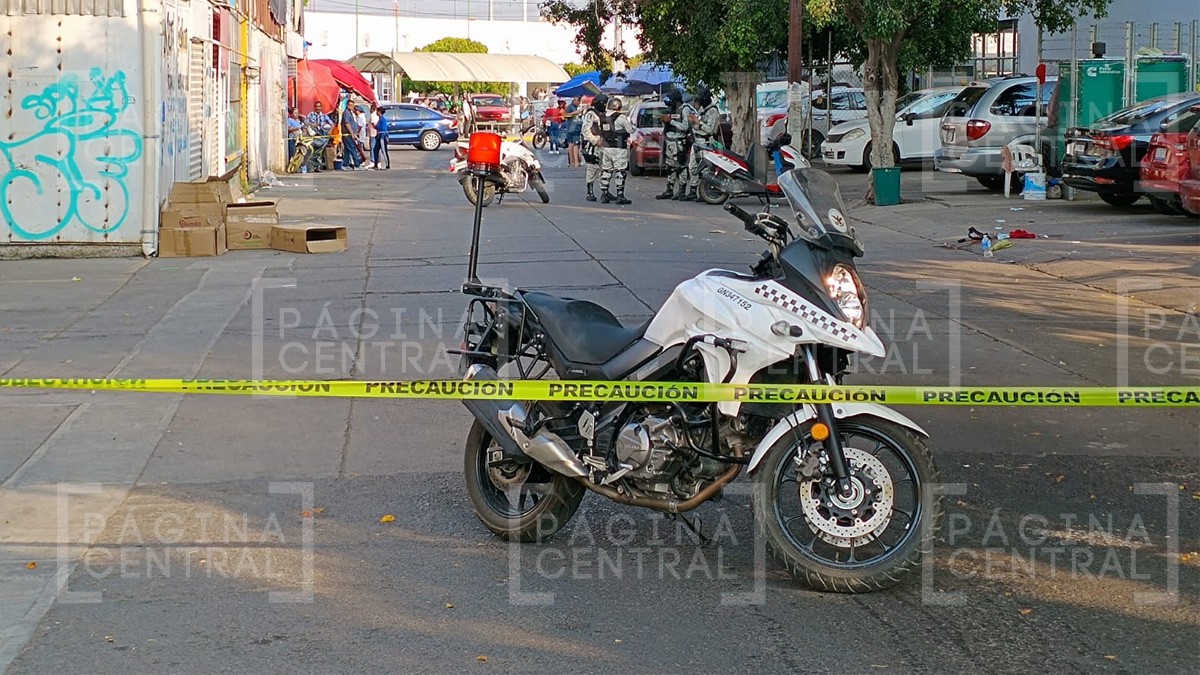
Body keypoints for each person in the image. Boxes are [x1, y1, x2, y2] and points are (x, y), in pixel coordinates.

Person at [685, 87, 721, 202]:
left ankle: (704, 192)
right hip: (697, 142)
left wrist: (698, 122)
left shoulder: (712, 111)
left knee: (705, 168)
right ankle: (692, 190)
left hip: (706, 142)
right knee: (693, 167)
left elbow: (710, 130)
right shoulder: (703, 110)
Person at [597, 96, 634, 205]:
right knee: (620, 171)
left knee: (606, 170)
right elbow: (630, 130)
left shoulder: (602, 117)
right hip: (619, 148)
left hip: (606, 147)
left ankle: (604, 194)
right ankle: (620, 195)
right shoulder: (621, 117)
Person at [656, 91, 690, 200]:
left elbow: (685, 127)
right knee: (670, 166)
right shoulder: (671, 109)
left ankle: (682, 190)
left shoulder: (684, 110)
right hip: (668, 141)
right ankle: (669, 190)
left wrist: (671, 121)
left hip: (678, 142)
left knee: (680, 166)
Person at [579, 94, 605, 201]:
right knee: (592, 168)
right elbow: (585, 130)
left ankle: (605, 191)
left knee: (605, 168)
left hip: (603, 143)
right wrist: (595, 140)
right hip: (592, 145)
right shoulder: (591, 114)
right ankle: (590, 191)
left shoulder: (603, 113)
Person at [564, 96, 583, 167]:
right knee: (575, 144)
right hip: (573, 127)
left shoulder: (575, 107)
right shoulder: (570, 107)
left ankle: (573, 162)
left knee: (572, 144)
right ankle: (575, 162)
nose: (578, 103)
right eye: (578, 101)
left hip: (576, 127)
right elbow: (565, 115)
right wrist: (575, 112)